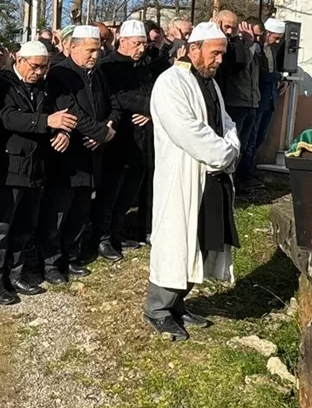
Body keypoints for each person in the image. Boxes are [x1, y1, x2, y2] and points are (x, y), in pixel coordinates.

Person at [145, 22, 241, 342]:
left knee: (199, 240)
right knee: (176, 241)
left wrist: (231, 148)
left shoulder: (210, 84)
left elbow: (225, 122)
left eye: (222, 54)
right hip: (183, 176)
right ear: (194, 49)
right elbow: (188, 131)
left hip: (210, 176)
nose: (219, 60)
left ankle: (178, 304)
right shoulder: (170, 83)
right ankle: (158, 308)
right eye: (215, 53)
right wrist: (225, 156)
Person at [0, 41, 71, 305]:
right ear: (19, 60)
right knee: (1, 229)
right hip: (9, 167)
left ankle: (16, 273)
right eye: (35, 66)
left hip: (36, 165)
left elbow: (58, 115)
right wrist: (46, 122)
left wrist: (62, 131)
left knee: (25, 226)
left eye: (44, 67)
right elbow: (8, 117)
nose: (39, 72)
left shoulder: (44, 87)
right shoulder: (4, 83)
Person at [42, 25, 114, 285]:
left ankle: (71, 256)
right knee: (59, 211)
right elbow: (70, 111)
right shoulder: (60, 74)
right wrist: (101, 133)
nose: (95, 55)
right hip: (68, 156)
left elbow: (111, 104)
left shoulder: (98, 74)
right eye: (90, 50)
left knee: (80, 211)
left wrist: (109, 126)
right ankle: (51, 262)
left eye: (98, 49)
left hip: (92, 154)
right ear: (73, 47)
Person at [95, 20, 159, 260]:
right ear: (122, 40)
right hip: (119, 141)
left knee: (128, 193)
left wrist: (151, 111)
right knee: (110, 193)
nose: (141, 48)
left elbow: (155, 92)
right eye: (137, 43)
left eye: (144, 44)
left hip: (142, 142)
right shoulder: (108, 66)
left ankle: (116, 232)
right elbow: (119, 97)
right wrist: (151, 106)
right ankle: (102, 237)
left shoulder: (144, 66)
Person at [212, 10, 261, 188]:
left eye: (233, 28)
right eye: (226, 26)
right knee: (233, 142)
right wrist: (244, 43)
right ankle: (229, 179)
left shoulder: (239, 44)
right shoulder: (228, 45)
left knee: (246, 143)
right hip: (233, 100)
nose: (229, 31)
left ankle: (238, 178)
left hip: (250, 100)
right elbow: (239, 66)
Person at [250, 18, 288, 167]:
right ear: (267, 33)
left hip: (270, 98)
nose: (278, 42)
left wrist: (283, 80)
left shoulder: (272, 50)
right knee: (251, 138)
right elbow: (260, 74)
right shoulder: (257, 49)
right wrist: (278, 76)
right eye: (276, 38)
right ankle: (246, 173)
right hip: (258, 97)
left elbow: (274, 70)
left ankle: (252, 168)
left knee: (260, 137)